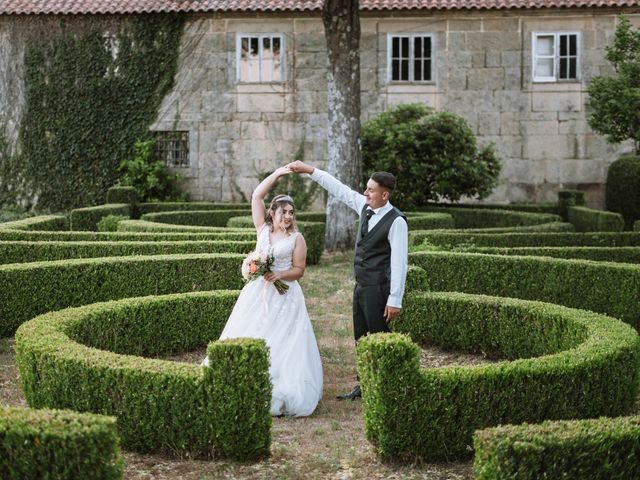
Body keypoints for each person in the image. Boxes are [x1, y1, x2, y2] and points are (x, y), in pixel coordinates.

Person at [201, 166, 323, 416]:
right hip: (257, 293)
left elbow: (299, 269)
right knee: (250, 328)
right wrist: (278, 174)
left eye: (291, 212)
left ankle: (278, 382)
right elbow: (256, 195)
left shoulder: (297, 239)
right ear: (273, 213)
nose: (288, 216)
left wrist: (280, 274)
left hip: (284, 295)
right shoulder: (262, 230)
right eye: (283, 212)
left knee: (284, 340)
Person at [287, 161, 408, 401]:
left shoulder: (397, 221)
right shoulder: (365, 207)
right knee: (361, 337)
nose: (365, 193)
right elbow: (339, 189)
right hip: (361, 286)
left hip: (379, 289)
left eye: (371, 190)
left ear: (385, 195)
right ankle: (365, 385)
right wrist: (311, 171)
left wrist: (395, 300)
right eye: (366, 188)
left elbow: (399, 263)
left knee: (378, 337)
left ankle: (384, 388)